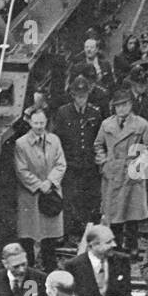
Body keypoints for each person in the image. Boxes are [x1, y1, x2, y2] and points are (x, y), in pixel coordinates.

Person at [94, 88, 148, 258]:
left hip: (132, 173)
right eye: (117, 105)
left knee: (131, 213)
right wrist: (104, 162)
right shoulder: (107, 124)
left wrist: (138, 165)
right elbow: (98, 145)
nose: (121, 109)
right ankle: (117, 245)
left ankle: (132, 245)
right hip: (112, 173)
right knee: (113, 213)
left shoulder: (142, 124)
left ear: (131, 105)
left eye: (124, 105)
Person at [51, 75, 103, 244]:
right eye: (78, 96)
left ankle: (87, 234)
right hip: (70, 164)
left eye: (84, 96)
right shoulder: (63, 112)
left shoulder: (95, 113)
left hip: (89, 165)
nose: (81, 99)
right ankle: (64, 233)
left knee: (88, 199)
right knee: (68, 199)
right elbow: (57, 140)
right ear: (73, 95)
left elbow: (99, 139)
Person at [13, 107, 66, 271]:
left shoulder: (54, 140)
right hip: (30, 196)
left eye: (42, 122)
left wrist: (50, 182)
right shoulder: (21, 144)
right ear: (29, 122)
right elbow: (21, 170)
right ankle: (29, 268)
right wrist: (38, 184)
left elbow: (61, 164)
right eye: (35, 123)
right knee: (29, 234)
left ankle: (50, 268)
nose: (39, 126)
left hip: (50, 193)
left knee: (49, 236)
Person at [65, 224, 131, 296]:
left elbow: (127, 293)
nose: (114, 245)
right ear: (93, 245)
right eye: (108, 242)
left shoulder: (122, 261)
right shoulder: (74, 265)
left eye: (113, 240)